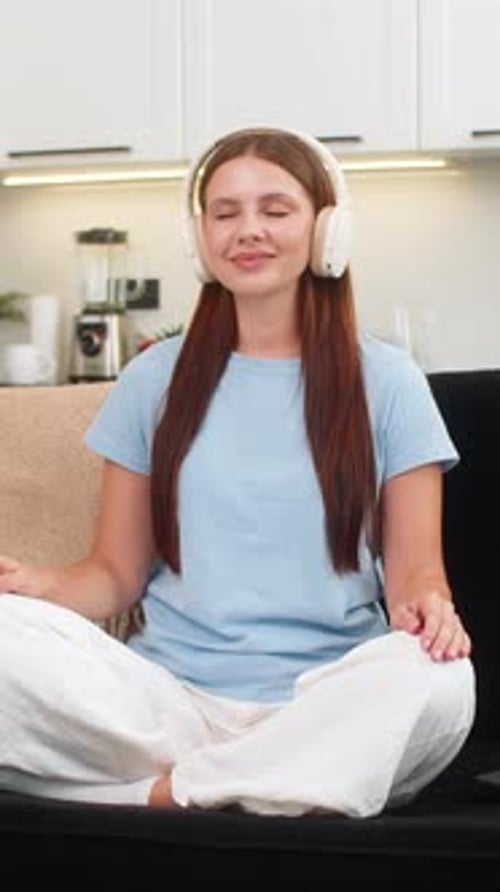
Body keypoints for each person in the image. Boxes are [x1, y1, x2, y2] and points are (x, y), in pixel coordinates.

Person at [0, 126, 475, 818]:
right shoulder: (152, 380)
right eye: (226, 213)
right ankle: (271, 788)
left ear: (327, 229)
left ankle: (166, 795)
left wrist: (428, 609)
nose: (248, 230)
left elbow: (415, 574)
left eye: (275, 210)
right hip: (168, 703)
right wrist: (34, 586)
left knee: (438, 682)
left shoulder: (390, 382)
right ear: (200, 239)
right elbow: (114, 574)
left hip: (327, 701)